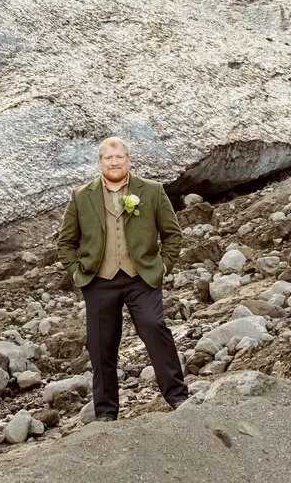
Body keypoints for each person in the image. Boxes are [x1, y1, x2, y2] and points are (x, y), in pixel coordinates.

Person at [56, 136, 189, 420]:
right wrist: (78, 273)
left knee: (154, 327)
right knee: (101, 344)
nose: (114, 163)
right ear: (99, 162)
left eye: (119, 158)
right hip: (98, 281)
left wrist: (163, 266)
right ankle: (106, 412)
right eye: (108, 158)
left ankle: (177, 396)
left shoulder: (151, 191)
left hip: (140, 278)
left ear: (128, 160)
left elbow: (173, 235)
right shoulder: (81, 196)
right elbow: (65, 243)